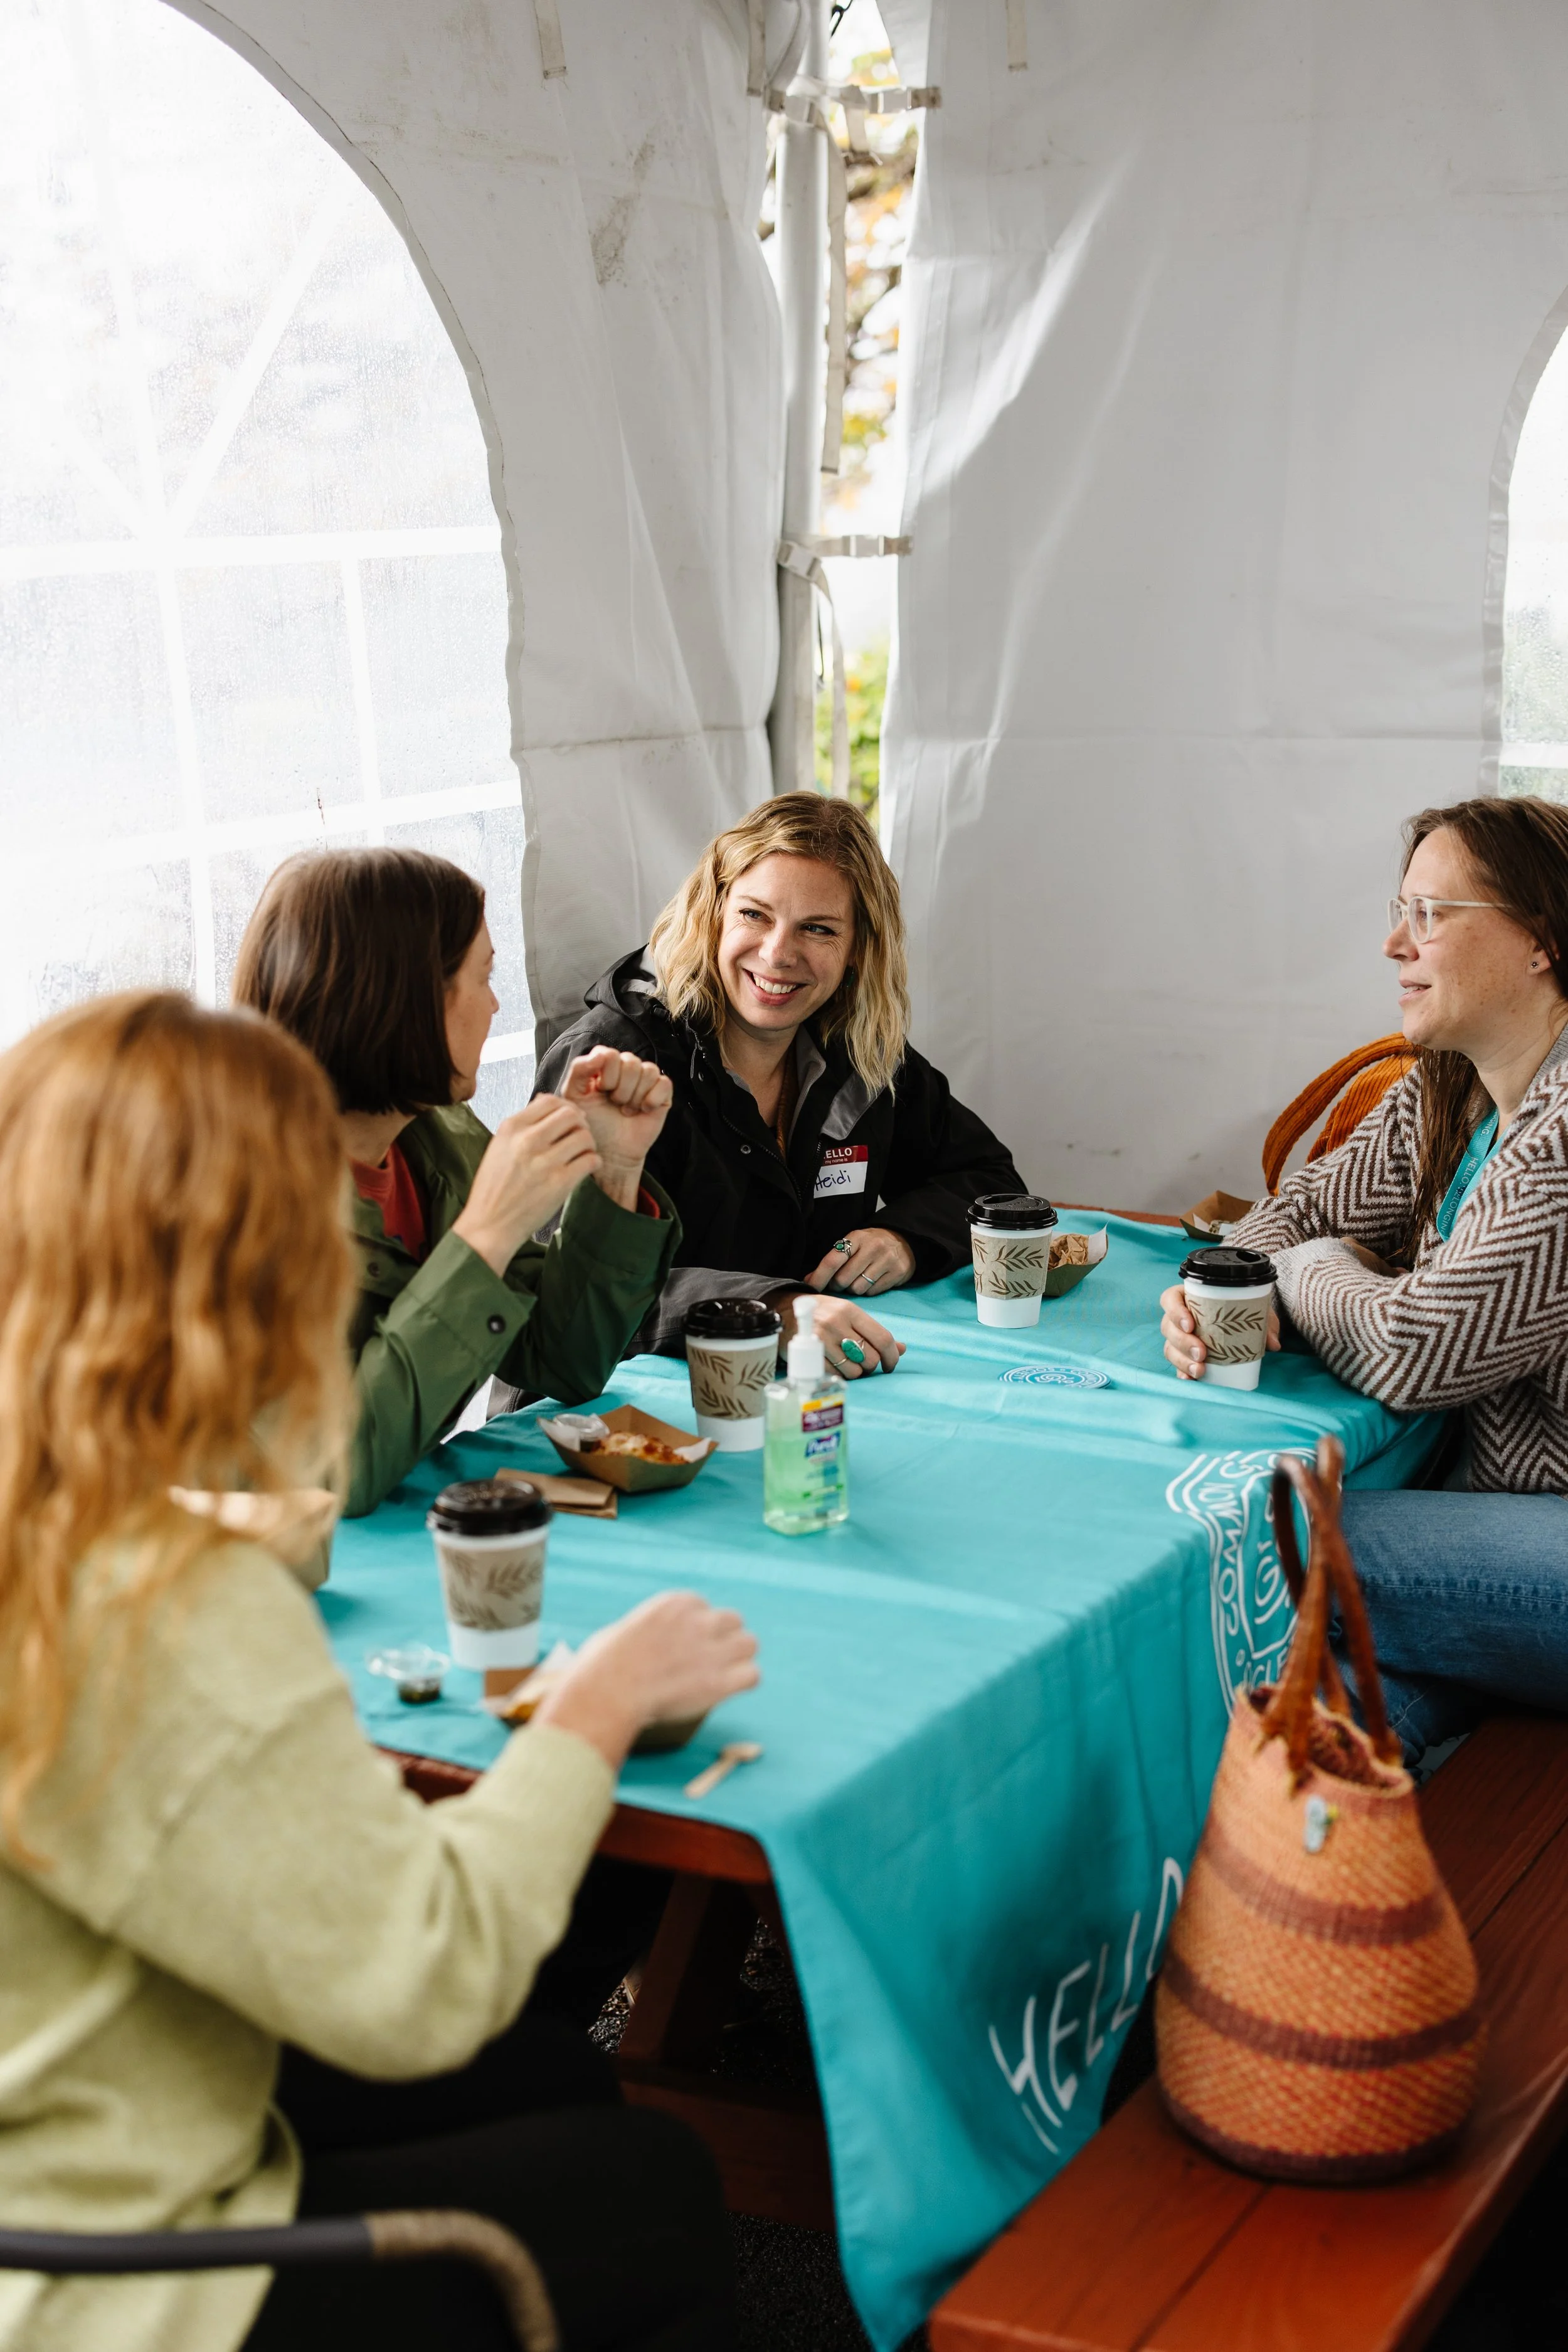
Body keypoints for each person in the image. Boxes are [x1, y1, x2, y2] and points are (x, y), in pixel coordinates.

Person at [0, 990, 757, 2352]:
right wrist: (590, 1712)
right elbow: (423, 1977)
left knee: (534, 2066)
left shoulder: (60, 1518)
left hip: (59, 2111)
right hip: (103, 2280)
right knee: (652, 2182)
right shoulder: (166, 1608)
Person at [1159, 795, 1568, 1757]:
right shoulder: (1452, 1082)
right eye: (1400, 908)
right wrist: (1212, 1286)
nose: (1394, 942)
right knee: (1307, 1718)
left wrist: (1303, 1274)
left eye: (1431, 913)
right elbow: (1283, 1219)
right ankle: (1289, 1881)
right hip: (1499, 1514)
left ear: (1542, 939)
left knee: (1255, 1543)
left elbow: (1413, 1347)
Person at [234, 849, 682, 1515]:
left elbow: (564, 1360)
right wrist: (486, 1234)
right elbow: (332, 1472)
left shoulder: (434, 1137)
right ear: (403, 999)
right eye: (482, 976)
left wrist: (614, 1168)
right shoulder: (234, 1201)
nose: (497, 1004)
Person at [536, 793, 1027, 1381]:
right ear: (712, 913)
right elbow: (560, 1287)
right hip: (601, 1412)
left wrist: (903, 1237)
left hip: (793, 1394)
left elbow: (989, 1181)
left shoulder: (859, 1053)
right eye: (754, 915)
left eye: (817, 929)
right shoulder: (613, 1059)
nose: (777, 954)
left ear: (856, 952)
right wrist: (774, 1309)